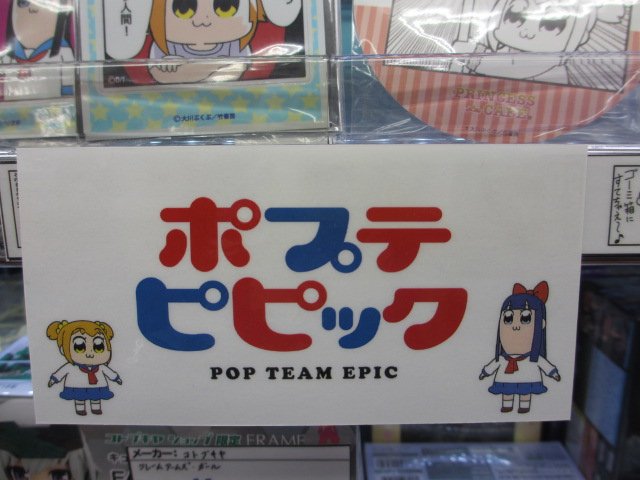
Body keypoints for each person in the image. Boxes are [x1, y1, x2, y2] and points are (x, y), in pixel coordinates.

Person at [479, 281, 560, 413]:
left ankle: (524, 407)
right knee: (507, 394)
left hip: (528, 379)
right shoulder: (502, 358)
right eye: (508, 319)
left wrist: (553, 373)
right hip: (505, 379)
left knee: (525, 395)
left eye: (526, 318)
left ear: (541, 324)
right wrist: (485, 373)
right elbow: (492, 366)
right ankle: (507, 405)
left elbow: (546, 366)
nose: (516, 326)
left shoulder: (534, 359)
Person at [0, 0, 74, 100]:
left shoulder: (63, 53)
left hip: (53, 106)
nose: (32, 8)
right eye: (23, 3)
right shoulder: (9, 56)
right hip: (12, 106)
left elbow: (68, 88)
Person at [47, 320, 122, 416]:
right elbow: (60, 373)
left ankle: (96, 408)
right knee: (79, 399)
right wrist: (53, 380)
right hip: (76, 386)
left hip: (97, 387)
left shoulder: (100, 367)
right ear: (63, 349)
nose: (90, 354)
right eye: (79, 347)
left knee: (96, 398)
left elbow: (109, 373)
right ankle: (80, 410)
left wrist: (116, 378)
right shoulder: (71, 367)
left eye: (99, 347)